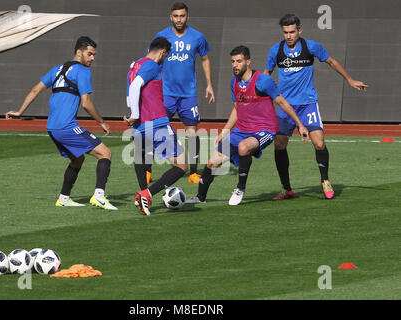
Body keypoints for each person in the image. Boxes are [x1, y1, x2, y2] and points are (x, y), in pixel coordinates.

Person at [186, 45, 309, 205]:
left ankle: (240, 188)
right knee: (212, 162)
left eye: (239, 61)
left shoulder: (263, 81)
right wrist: (225, 131)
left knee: (244, 147)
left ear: (248, 62)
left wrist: (300, 125)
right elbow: (237, 108)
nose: (235, 65)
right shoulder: (234, 83)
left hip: (264, 130)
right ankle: (200, 197)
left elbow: (281, 102)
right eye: (232, 62)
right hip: (241, 130)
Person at [5, 36, 117, 210]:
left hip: (52, 128)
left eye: (94, 55)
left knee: (77, 159)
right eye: (90, 54)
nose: (92, 58)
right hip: (66, 127)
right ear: (79, 52)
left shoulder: (57, 69)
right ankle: (99, 196)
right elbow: (86, 103)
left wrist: (20, 112)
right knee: (105, 154)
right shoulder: (83, 71)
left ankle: (64, 198)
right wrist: (101, 122)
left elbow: (35, 90)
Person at [264, 14, 368, 200]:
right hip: (286, 106)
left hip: (307, 104)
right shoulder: (275, 50)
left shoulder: (311, 47)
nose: (288, 36)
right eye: (285, 32)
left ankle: (325, 180)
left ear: (299, 30)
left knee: (319, 143)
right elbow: (265, 75)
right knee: (279, 144)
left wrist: (349, 79)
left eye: (292, 32)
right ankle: (286, 188)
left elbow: (332, 61)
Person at [152, 2, 215, 184]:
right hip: (166, 93)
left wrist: (209, 84)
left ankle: (194, 173)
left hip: (188, 94)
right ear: (170, 17)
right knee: (155, 129)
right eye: (176, 16)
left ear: (187, 16)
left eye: (182, 16)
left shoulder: (198, 37)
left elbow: (205, 59)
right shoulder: (161, 36)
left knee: (192, 131)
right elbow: (151, 61)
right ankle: (147, 169)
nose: (179, 19)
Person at [124, 37, 188, 216]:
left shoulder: (133, 66)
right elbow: (137, 86)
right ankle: (147, 194)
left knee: (140, 157)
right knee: (182, 166)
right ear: (162, 52)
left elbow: (130, 96)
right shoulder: (152, 65)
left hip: (139, 126)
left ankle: (143, 195)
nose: (164, 60)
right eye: (165, 56)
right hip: (156, 123)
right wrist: (136, 114)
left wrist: (133, 116)